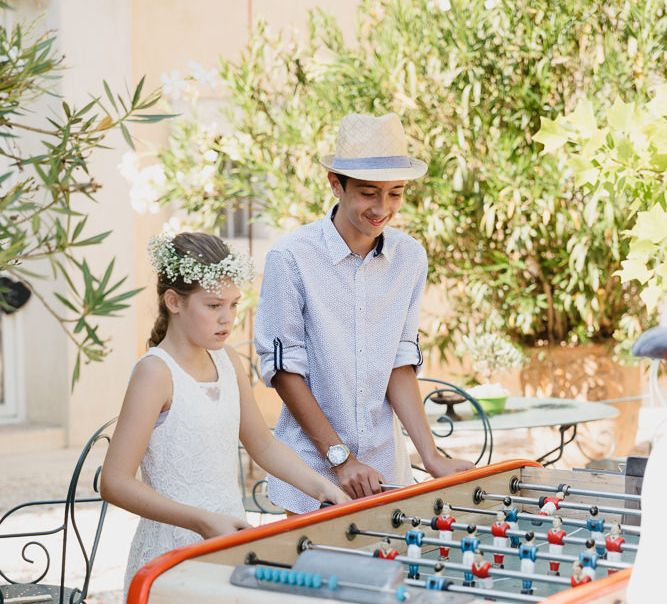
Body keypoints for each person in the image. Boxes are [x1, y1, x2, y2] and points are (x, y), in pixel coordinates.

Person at [100, 232, 348, 598]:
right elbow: (115, 482)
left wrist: (324, 488)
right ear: (174, 302)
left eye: (233, 305)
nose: (227, 319)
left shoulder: (228, 361)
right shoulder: (155, 373)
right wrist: (201, 521)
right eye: (214, 305)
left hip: (228, 544)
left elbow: (262, 444)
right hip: (171, 556)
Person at [254, 112, 473, 514]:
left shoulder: (410, 258)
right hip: (309, 474)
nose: (383, 208)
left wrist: (431, 456)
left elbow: (400, 363)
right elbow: (285, 372)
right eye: (369, 193)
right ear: (336, 184)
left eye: (396, 193)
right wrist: (340, 458)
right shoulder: (291, 258)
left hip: (385, 472)